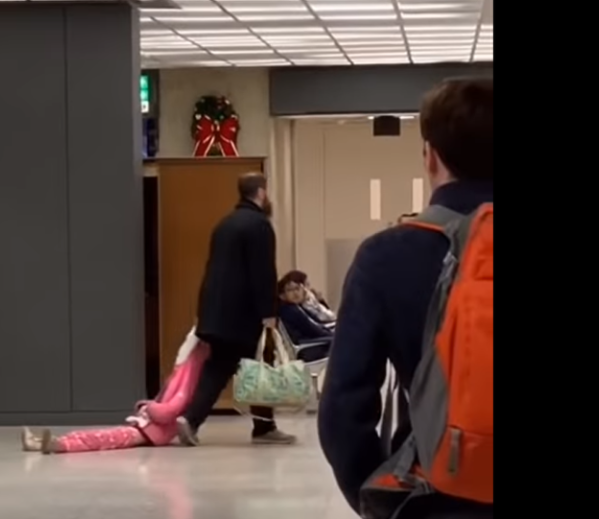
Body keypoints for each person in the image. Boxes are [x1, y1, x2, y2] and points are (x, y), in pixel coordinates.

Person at [318, 77, 493, 518]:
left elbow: (343, 410)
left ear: (430, 156)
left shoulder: (386, 255)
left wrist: (376, 495)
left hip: (438, 493)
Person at [176, 172, 296, 446]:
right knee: (240, 367)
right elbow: (262, 272)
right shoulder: (258, 225)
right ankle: (194, 419)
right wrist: (269, 313)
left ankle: (262, 426)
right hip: (243, 315)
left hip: (217, 311)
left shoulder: (225, 224)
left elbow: (213, 270)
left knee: (236, 367)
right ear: (262, 193)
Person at [22, 332, 208, 454]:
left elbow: (170, 410)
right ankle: (41, 442)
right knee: (101, 436)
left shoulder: (189, 378)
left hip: (151, 433)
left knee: (103, 438)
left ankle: (59, 444)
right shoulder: (183, 376)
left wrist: (147, 406)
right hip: (146, 428)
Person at [276, 274, 333, 363]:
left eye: (298, 288)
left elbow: (317, 323)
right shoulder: (291, 311)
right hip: (309, 348)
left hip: (311, 343)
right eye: (290, 290)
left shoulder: (297, 307)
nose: (295, 293)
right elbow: (314, 330)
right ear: (282, 295)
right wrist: (334, 335)